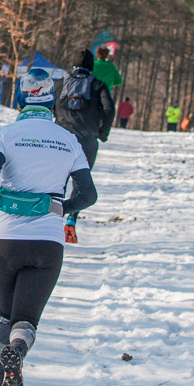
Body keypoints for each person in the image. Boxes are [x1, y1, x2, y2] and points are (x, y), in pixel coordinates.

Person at [0, 68, 97, 386]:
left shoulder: (4, 134)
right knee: (25, 319)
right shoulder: (68, 140)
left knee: (4, 312)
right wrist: (62, 208)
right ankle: (19, 347)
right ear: (51, 101)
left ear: (21, 98)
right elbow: (88, 194)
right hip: (47, 240)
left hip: (2, 237)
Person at [52, 49, 113, 243]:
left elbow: (47, 105)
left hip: (60, 140)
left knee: (57, 181)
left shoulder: (59, 84)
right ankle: (71, 219)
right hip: (86, 141)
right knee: (81, 183)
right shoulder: (98, 85)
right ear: (91, 66)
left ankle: (51, 218)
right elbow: (110, 108)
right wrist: (102, 133)